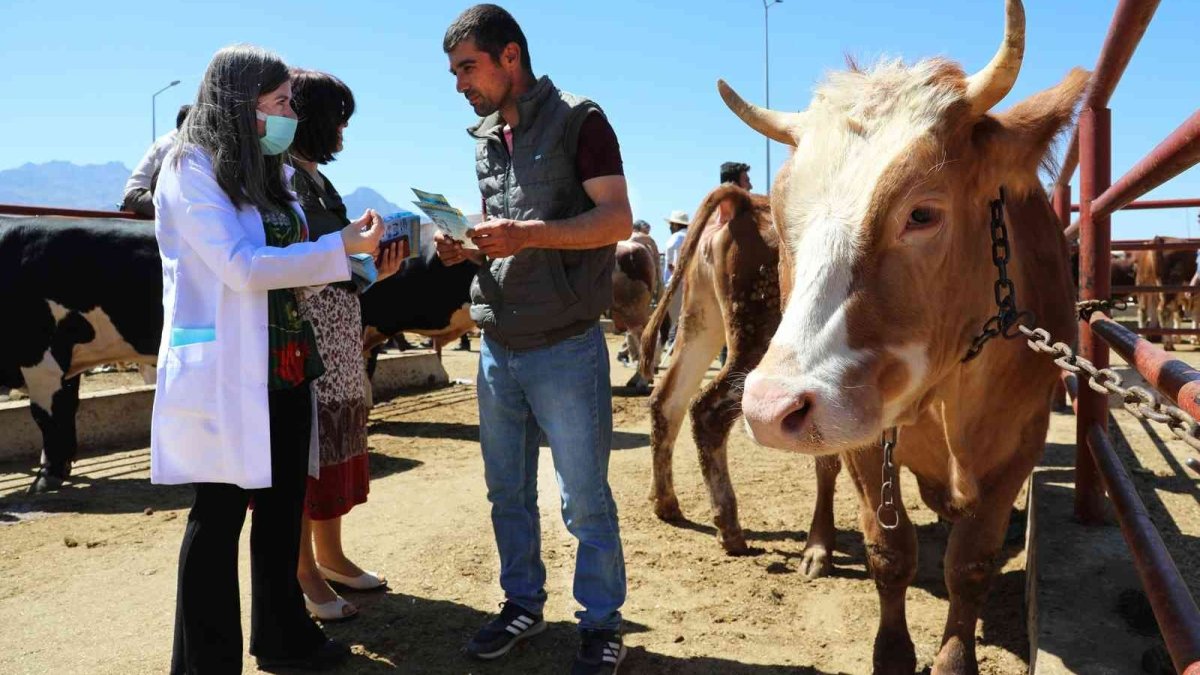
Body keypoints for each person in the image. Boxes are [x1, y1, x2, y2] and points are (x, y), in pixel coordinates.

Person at [151, 44, 385, 673]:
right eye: (279, 102)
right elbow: (239, 266)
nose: (288, 114)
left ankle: (286, 639)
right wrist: (336, 246)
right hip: (227, 370)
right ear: (239, 100)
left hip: (286, 362)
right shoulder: (190, 166)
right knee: (219, 515)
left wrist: (354, 263)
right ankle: (206, 662)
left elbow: (290, 265)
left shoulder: (270, 170)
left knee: (282, 512)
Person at [438, 5, 630, 673]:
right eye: (456, 72)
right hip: (498, 346)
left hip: (565, 346)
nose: (461, 83)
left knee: (582, 496)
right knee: (507, 491)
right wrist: (469, 245)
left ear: (510, 57)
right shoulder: (486, 137)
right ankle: (521, 601)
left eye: (469, 67)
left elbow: (615, 219)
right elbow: (504, 230)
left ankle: (603, 622)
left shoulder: (582, 119)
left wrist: (530, 235)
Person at [287, 68, 406, 622]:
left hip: (338, 334)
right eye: (338, 120)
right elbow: (295, 261)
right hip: (307, 334)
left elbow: (335, 262)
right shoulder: (281, 179)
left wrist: (374, 269)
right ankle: (303, 568)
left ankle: (329, 555)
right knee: (309, 448)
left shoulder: (316, 179)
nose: (343, 133)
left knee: (334, 440)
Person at [122, 104, 191, 217]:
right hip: (138, 194)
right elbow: (161, 184)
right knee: (176, 205)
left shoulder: (184, 143)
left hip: (152, 194)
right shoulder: (169, 144)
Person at [662, 210, 689, 352]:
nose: (670, 227)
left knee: (666, 321)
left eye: (671, 225)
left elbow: (670, 261)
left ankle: (653, 360)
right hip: (691, 283)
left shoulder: (676, 238)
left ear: (675, 225)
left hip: (675, 283)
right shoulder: (693, 236)